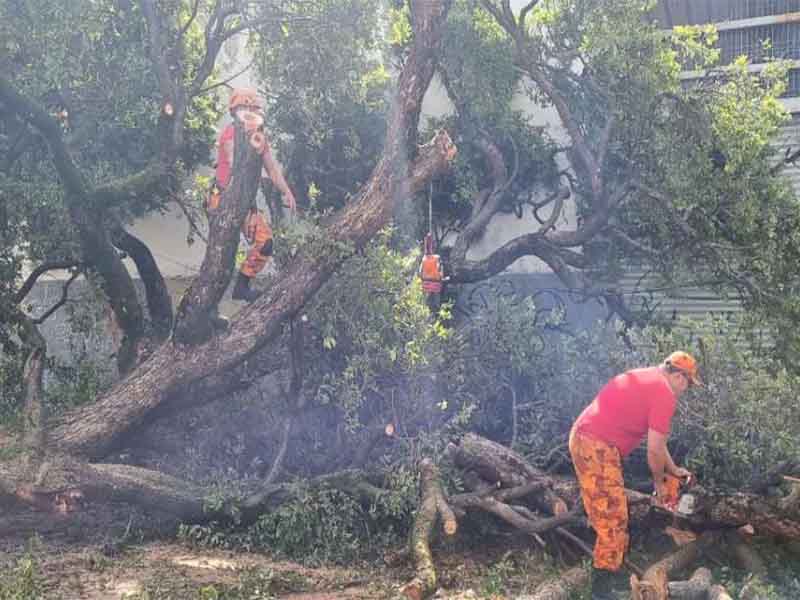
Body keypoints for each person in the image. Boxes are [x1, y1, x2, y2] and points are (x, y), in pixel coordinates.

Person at [568, 351, 702, 599]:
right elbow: (653, 450)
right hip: (594, 446)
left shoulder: (649, 378)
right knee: (613, 520)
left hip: (589, 439)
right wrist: (659, 484)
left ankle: (607, 578)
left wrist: (672, 471)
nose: (686, 389)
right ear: (679, 376)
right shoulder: (664, 393)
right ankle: (600, 592)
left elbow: (658, 444)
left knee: (612, 516)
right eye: (687, 383)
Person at [210, 88, 297, 302]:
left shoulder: (260, 139)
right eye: (244, 107)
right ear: (235, 111)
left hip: (244, 201)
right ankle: (208, 305)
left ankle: (242, 286)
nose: (249, 111)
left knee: (265, 241)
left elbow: (272, 169)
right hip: (222, 198)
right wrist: (243, 203)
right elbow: (233, 164)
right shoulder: (231, 133)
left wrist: (287, 192)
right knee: (223, 257)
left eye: (252, 108)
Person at [418, 233, 445, 312]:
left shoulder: (424, 259)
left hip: (426, 285)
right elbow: (441, 271)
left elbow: (420, 272)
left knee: (425, 305)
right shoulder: (437, 258)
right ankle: (437, 315)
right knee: (437, 305)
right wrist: (441, 277)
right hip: (436, 285)